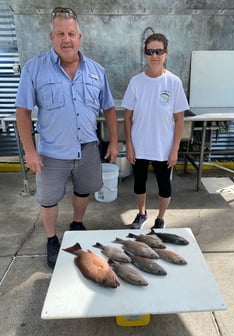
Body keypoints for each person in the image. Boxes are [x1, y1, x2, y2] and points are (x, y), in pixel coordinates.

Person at [15, 7, 118, 268]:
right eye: (60, 33)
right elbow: (23, 112)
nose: (66, 39)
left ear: (79, 36)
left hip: (87, 149)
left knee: (84, 190)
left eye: (71, 33)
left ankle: (77, 222)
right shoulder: (34, 69)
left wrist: (115, 141)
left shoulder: (96, 70)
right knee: (48, 199)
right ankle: (51, 239)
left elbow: (108, 107)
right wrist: (30, 150)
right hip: (52, 152)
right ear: (52, 36)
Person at [122, 33, 189, 229]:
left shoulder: (173, 82)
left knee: (164, 185)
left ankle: (160, 218)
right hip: (139, 145)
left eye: (159, 51)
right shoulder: (136, 82)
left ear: (166, 53)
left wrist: (175, 149)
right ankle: (141, 214)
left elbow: (179, 119)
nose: (154, 55)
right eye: (150, 51)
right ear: (145, 54)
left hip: (163, 147)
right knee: (139, 183)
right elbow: (127, 117)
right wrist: (130, 146)